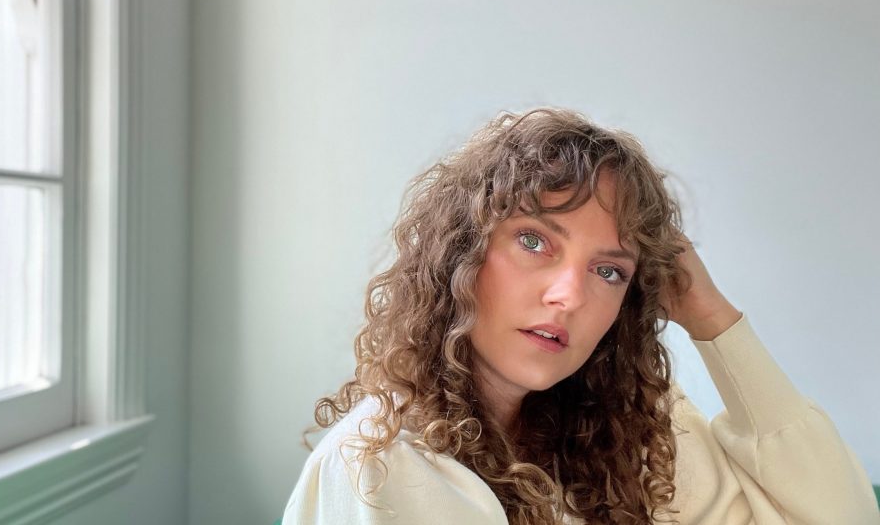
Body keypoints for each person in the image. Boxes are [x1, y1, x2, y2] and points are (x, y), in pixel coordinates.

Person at [281, 108, 878, 524]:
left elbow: (841, 517)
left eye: (609, 271)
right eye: (534, 241)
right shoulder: (382, 463)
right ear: (462, 252)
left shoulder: (633, 436)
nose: (569, 295)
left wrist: (712, 318)